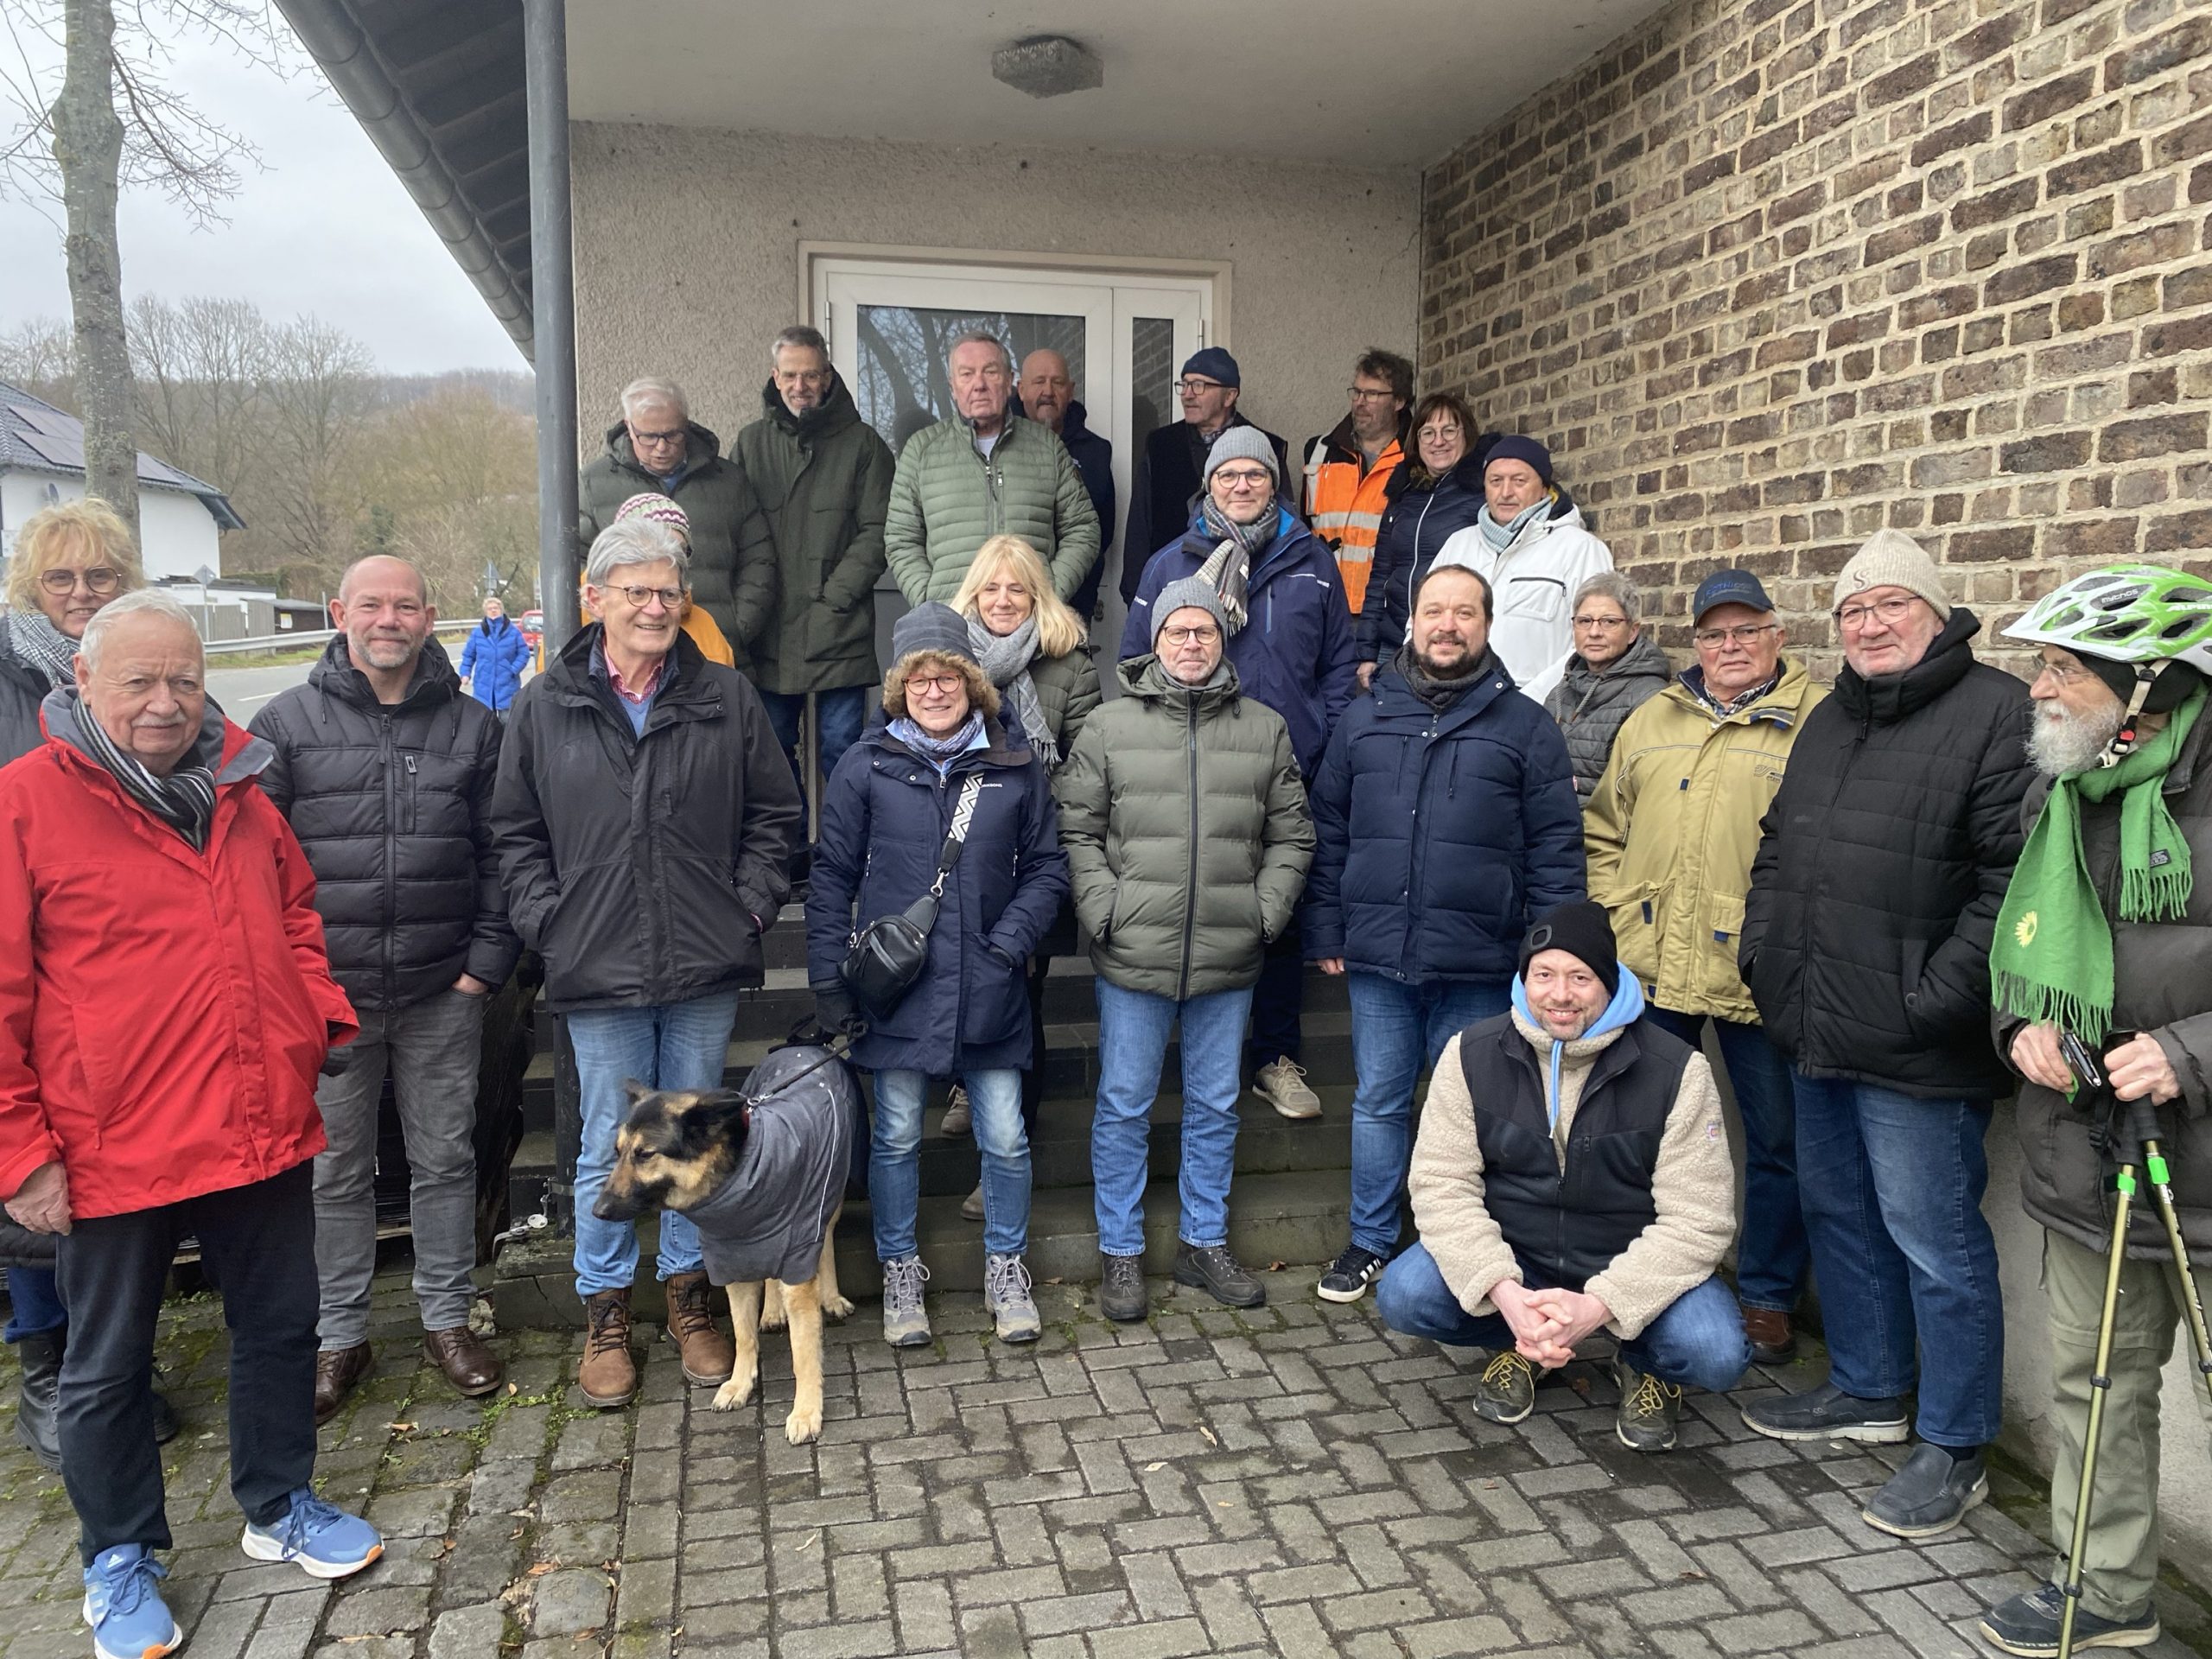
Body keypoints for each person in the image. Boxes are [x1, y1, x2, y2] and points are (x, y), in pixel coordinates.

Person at [0, 591, 384, 1659]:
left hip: (258, 1120)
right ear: (83, 682)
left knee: (281, 1326)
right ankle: (119, 1556)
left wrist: (312, 1023)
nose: (166, 702)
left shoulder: (240, 791)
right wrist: (21, 1153)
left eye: (184, 679)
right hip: (109, 1143)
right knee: (106, 1365)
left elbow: (295, 913)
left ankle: (280, 1501)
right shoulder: (23, 805)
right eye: (139, 682)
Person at [1739, 531, 2032, 1538]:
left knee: (1935, 1243)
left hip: (1918, 1043)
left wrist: (1932, 1000)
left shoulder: (1996, 714)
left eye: (1890, 605)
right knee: (1840, 1214)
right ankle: (1868, 1388)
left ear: (1937, 614)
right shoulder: (1831, 716)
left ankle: (1956, 1442)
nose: (1868, 625)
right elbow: (1777, 849)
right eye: (1852, 611)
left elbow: (2010, 884)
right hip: (1814, 1020)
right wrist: (1765, 959)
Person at [493, 518, 800, 1409]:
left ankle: (689, 1299)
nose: (656, 608)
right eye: (638, 592)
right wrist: (551, 924)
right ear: (595, 599)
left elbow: (776, 819)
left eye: (669, 592)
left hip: (702, 959)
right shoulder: (545, 705)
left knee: (693, 1135)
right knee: (608, 1138)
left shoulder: (726, 697)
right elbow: (514, 833)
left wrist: (746, 909)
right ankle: (606, 1311)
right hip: (595, 964)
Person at [1973, 565, 2212, 1656]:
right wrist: (2020, 1028)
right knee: (2092, 1383)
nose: (2037, 689)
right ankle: (2105, 1590)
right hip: (2091, 1152)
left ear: (2146, 687)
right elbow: (2018, 946)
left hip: (2203, 1154)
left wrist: (2184, 1054)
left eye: (2061, 668)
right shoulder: (2059, 790)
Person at [251, 555, 517, 1422]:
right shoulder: (285, 725)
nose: (389, 620)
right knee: (333, 1170)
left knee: (445, 1159)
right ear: (340, 612)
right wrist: (291, 979)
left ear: (430, 618)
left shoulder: (475, 729)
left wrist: (484, 963)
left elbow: (503, 853)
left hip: (444, 988)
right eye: (372, 605)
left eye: (406, 606)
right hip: (328, 998)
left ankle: (446, 1319)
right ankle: (340, 1335)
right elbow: (254, 866)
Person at [1374, 902, 1750, 1453]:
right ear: (1524, 979)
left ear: (1609, 982)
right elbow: (1440, 1185)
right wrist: (1507, 1295)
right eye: (1543, 975)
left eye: (1580, 977)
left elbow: (1700, 1220)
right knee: (1406, 1295)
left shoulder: (1679, 1071)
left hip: (1629, 1263)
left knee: (1714, 1352)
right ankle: (1530, 1343)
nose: (1560, 995)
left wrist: (1599, 1305)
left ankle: (1642, 1362)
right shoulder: (1470, 1054)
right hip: (1518, 1258)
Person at [1306, 564, 1584, 1304]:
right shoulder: (1364, 718)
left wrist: (1550, 954)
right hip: (1379, 955)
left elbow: (1556, 848)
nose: (1447, 626)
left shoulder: (1526, 726)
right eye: (1435, 611)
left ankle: (1460, 1247)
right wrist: (1326, 928)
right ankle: (1370, 1240)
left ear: (1487, 626)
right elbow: (1327, 829)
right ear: (1413, 621)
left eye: (1464, 613)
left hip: (1481, 961)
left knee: (1473, 1112)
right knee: (1379, 1101)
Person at [805, 604, 1069, 1348]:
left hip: (989, 984)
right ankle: (899, 1271)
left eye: (946, 676)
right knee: (894, 1137)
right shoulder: (865, 765)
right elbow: (830, 878)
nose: (932, 690)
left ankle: (1007, 1267)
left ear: (971, 683)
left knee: (1006, 1139)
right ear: (898, 689)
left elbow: (1048, 869)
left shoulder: (1014, 765)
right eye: (917, 679)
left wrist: (1008, 945)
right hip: (897, 989)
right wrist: (829, 979)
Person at [1057, 580, 1314, 1319]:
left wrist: (1263, 915)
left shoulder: (1263, 728)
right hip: (1134, 952)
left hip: (1229, 954)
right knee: (1123, 1106)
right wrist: (1105, 911)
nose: (1192, 643)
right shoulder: (1108, 726)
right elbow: (1076, 830)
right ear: (1156, 640)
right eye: (1179, 631)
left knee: (1214, 1105)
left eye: (1205, 630)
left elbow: (1293, 835)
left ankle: (1204, 1243)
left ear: (1222, 640)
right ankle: (1121, 1252)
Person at [1583, 569, 1822, 1363]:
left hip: (1758, 970)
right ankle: (1634, 1275)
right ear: (1695, 644)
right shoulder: (1653, 717)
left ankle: (1767, 1296)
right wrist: (1617, 914)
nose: (1731, 647)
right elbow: (1604, 830)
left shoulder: (1816, 722)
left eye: (1747, 630)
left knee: (1777, 1140)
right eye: (1715, 634)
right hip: (1653, 964)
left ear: (1777, 636)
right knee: (1637, 1130)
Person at [0, 499, 179, 1471]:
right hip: (25, 933)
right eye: (60, 578)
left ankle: (113, 1364)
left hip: (118, 958)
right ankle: (47, 1369)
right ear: (31, 588)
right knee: (28, 1166)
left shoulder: (148, 672)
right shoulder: (8, 675)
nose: (80, 592)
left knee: (105, 1180)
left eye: (99, 576)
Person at [1122, 428, 1357, 1123]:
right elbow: (1135, 663)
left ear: (1274, 484)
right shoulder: (1171, 563)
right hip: (1189, 772)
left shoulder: (1312, 561)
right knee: (1194, 907)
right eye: (1229, 475)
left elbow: (1339, 666)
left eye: (1256, 474)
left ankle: (1275, 1057)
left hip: (1287, 767)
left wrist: (1322, 737)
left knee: (1277, 914)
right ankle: (1189, 1061)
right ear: (1210, 485)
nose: (1242, 485)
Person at [943, 535, 1102, 1218]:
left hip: (1036, 858)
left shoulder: (1070, 664)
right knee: (952, 982)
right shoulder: (944, 660)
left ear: (1039, 597)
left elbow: (1088, 767)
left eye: (1018, 589)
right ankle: (964, 1084)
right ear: (973, 595)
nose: (1003, 601)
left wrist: (1024, 814)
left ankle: (1005, 1156)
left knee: (1020, 1003)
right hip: (957, 861)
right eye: (992, 588)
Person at [735, 325, 895, 810]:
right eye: (790, 375)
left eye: (810, 375)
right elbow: (736, 528)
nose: (800, 386)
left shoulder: (864, 445)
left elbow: (879, 531)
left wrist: (836, 597)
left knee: (843, 750)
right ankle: (792, 847)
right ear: (775, 376)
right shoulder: (751, 443)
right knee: (771, 751)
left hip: (839, 627)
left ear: (827, 376)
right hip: (770, 629)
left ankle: (845, 848)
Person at [883, 333, 1101, 604]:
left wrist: (1049, 596)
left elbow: (1083, 529)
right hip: (952, 620)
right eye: (967, 374)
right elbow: (901, 539)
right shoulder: (921, 451)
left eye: (990, 372)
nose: (979, 385)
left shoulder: (1047, 448)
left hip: (1031, 621)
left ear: (1009, 382)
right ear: (953, 387)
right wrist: (930, 602)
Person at [577, 376, 778, 666]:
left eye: (672, 435)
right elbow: (581, 567)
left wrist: (737, 627)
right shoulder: (592, 484)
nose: (661, 447)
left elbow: (759, 559)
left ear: (687, 424)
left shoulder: (730, 482)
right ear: (628, 426)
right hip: (630, 658)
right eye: (648, 436)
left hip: (715, 650)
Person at [1429, 435, 1616, 703]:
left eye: (1519, 481)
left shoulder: (1580, 549)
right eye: (1496, 481)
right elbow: (1420, 621)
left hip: (1537, 706)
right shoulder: (1458, 545)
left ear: (1543, 488)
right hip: (1451, 701)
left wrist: (1529, 701)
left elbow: (1593, 640)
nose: (1505, 492)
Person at [1120, 348, 1289, 610]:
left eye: (1199, 385)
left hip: (1248, 591)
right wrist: (1135, 591)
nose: (1187, 394)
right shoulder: (1160, 445)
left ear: (1229, 396)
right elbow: (1140, 524)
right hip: (1171, 591)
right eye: (1184, 384)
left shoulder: (1267, 448)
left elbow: (1284, 521)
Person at [1358, 391, 1494, 686]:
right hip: (1394, 641)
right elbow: (1380, 574)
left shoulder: (1480, 494)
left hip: (1447, 640)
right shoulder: (1402, 495)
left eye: (1449, 431)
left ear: (1467, 435)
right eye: (1428, 433)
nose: (1438, 441)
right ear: (1416, 441)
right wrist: (1367, 650)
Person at [1300, 347, 1412, 622]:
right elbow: (1304, 529)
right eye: (1356, 392)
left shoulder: (1416, 457)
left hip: (1387, 611)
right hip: (1323, 606)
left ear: (1399, 401)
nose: (1360, 402)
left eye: (1372, 394)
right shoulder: (1320, 450)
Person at [1542, 573, 1671, 800]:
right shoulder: (1560, 691)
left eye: (1609, 621)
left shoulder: (1649, 698)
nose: (1594, 632)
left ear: (1632, 631)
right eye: (1585, 621)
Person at [1015, 348, 1115, 620]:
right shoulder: (999, 446)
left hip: (1074, 602)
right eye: (1039, 381)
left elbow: (1102, 531)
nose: (1048, 391)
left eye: (1057, 382)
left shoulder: (1096, 451)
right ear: (1021, 390)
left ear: (1070, 391)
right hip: (1008, 600)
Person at [608, 495, 737, 666]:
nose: (670, 560)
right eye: (656, 548)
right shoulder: (586, 616)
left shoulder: (705, 625)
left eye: (679, 551)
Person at [457, 595, 530, 716]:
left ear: (501, 610)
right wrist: (465, 674)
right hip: (483, 686)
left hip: (508, 686)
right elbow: (468, 656)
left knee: (508, 722)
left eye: (496, 608)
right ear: (485, 612)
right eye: (490, 608)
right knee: (485, 722)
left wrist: (513, 670)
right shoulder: (478, 633)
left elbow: (524, 654)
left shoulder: (513, 632)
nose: (493, 610)